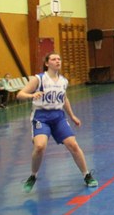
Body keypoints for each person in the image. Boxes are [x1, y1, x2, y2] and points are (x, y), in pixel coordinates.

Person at [16, 53, 98, 192]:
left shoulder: (63, 81)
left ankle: (87, 175)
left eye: (59, 59)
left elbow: (64, 99)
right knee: (40, 146)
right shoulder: (39, 79)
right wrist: (32, 95)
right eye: (54, 59)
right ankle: (33, 175)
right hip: (41, 116)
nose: (57, 61)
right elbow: (20, 94)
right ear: (47, 63)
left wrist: (72, 116)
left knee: (73, 144)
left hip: (58, 116)